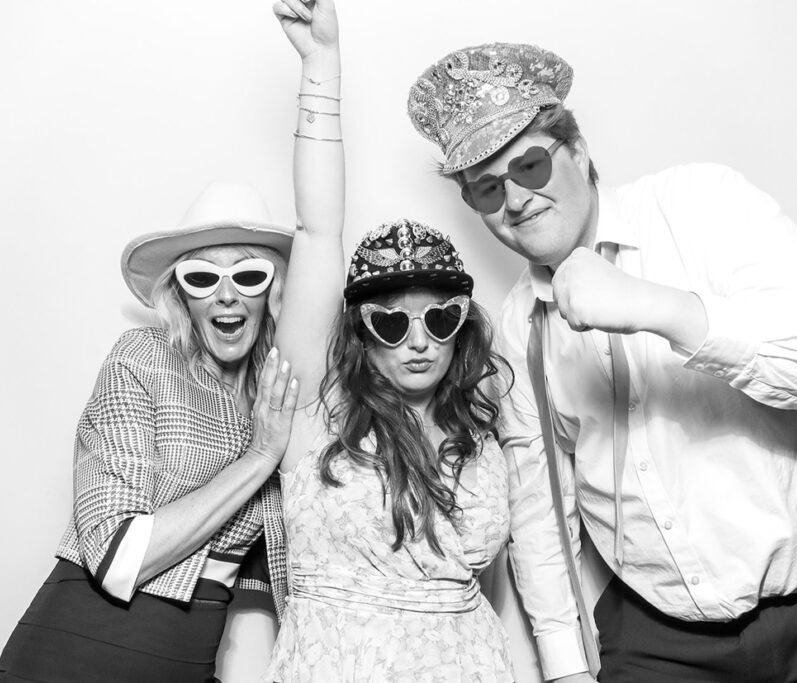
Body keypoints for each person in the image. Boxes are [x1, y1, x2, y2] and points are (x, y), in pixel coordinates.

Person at [406, 43, 797, 682]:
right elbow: (542, 507)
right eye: (487, 189)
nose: (514, 200)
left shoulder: (703, 204)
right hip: (665, 645)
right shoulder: (519, 326)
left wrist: (660, 308)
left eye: (532, 166)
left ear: (577, 152)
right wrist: (566, 665)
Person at [264, 1, 514, 680]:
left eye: (438, 318)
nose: (418, 341)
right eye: (390, 322)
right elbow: (316, 232)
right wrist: (322, 65)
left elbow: (487, 592)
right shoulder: (321, 408)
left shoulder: (480, 430)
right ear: (359, 331)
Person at [0, 181, 300, 683]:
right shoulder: (142, 359)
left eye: (248, 275)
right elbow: (117, 557)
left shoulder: (284, 392)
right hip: (69, 662)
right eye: (202, 277)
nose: (226, 295)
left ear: (274, 289)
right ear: (180, 293)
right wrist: (260, 456)